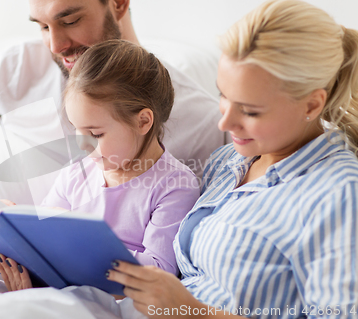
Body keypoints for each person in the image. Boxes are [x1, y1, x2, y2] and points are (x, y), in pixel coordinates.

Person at [0, 0, 223, 254]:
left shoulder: (201, 120)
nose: (55, 45)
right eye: (41, 26)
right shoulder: (13, 66)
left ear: (118, 4)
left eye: (68, 20)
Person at [103, 0, 358, 317]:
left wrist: (190, 310)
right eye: (223, 95)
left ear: (311, 105)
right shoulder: (228, 161)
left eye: (250, 110)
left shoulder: (339, 192)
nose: (224, 124)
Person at [0, 40, 200, 286]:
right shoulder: (77, 172)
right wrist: (16, 226)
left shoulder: (174, 185)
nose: (83, 145)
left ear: (143, 122)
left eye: (95, 134)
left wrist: (78, 240)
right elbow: (46, 234)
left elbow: (159, 271)